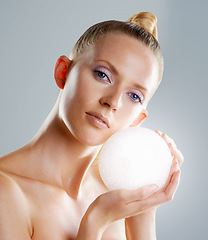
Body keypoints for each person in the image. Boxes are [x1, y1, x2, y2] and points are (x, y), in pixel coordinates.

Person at [0, 11, 183, 240]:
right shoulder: (5, 192)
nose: (112, 102)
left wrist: (145, 210)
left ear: (137, 120)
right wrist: (95, 222)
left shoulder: (119, 195)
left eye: (134, 96)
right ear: (63, 72)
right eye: (102, 74)